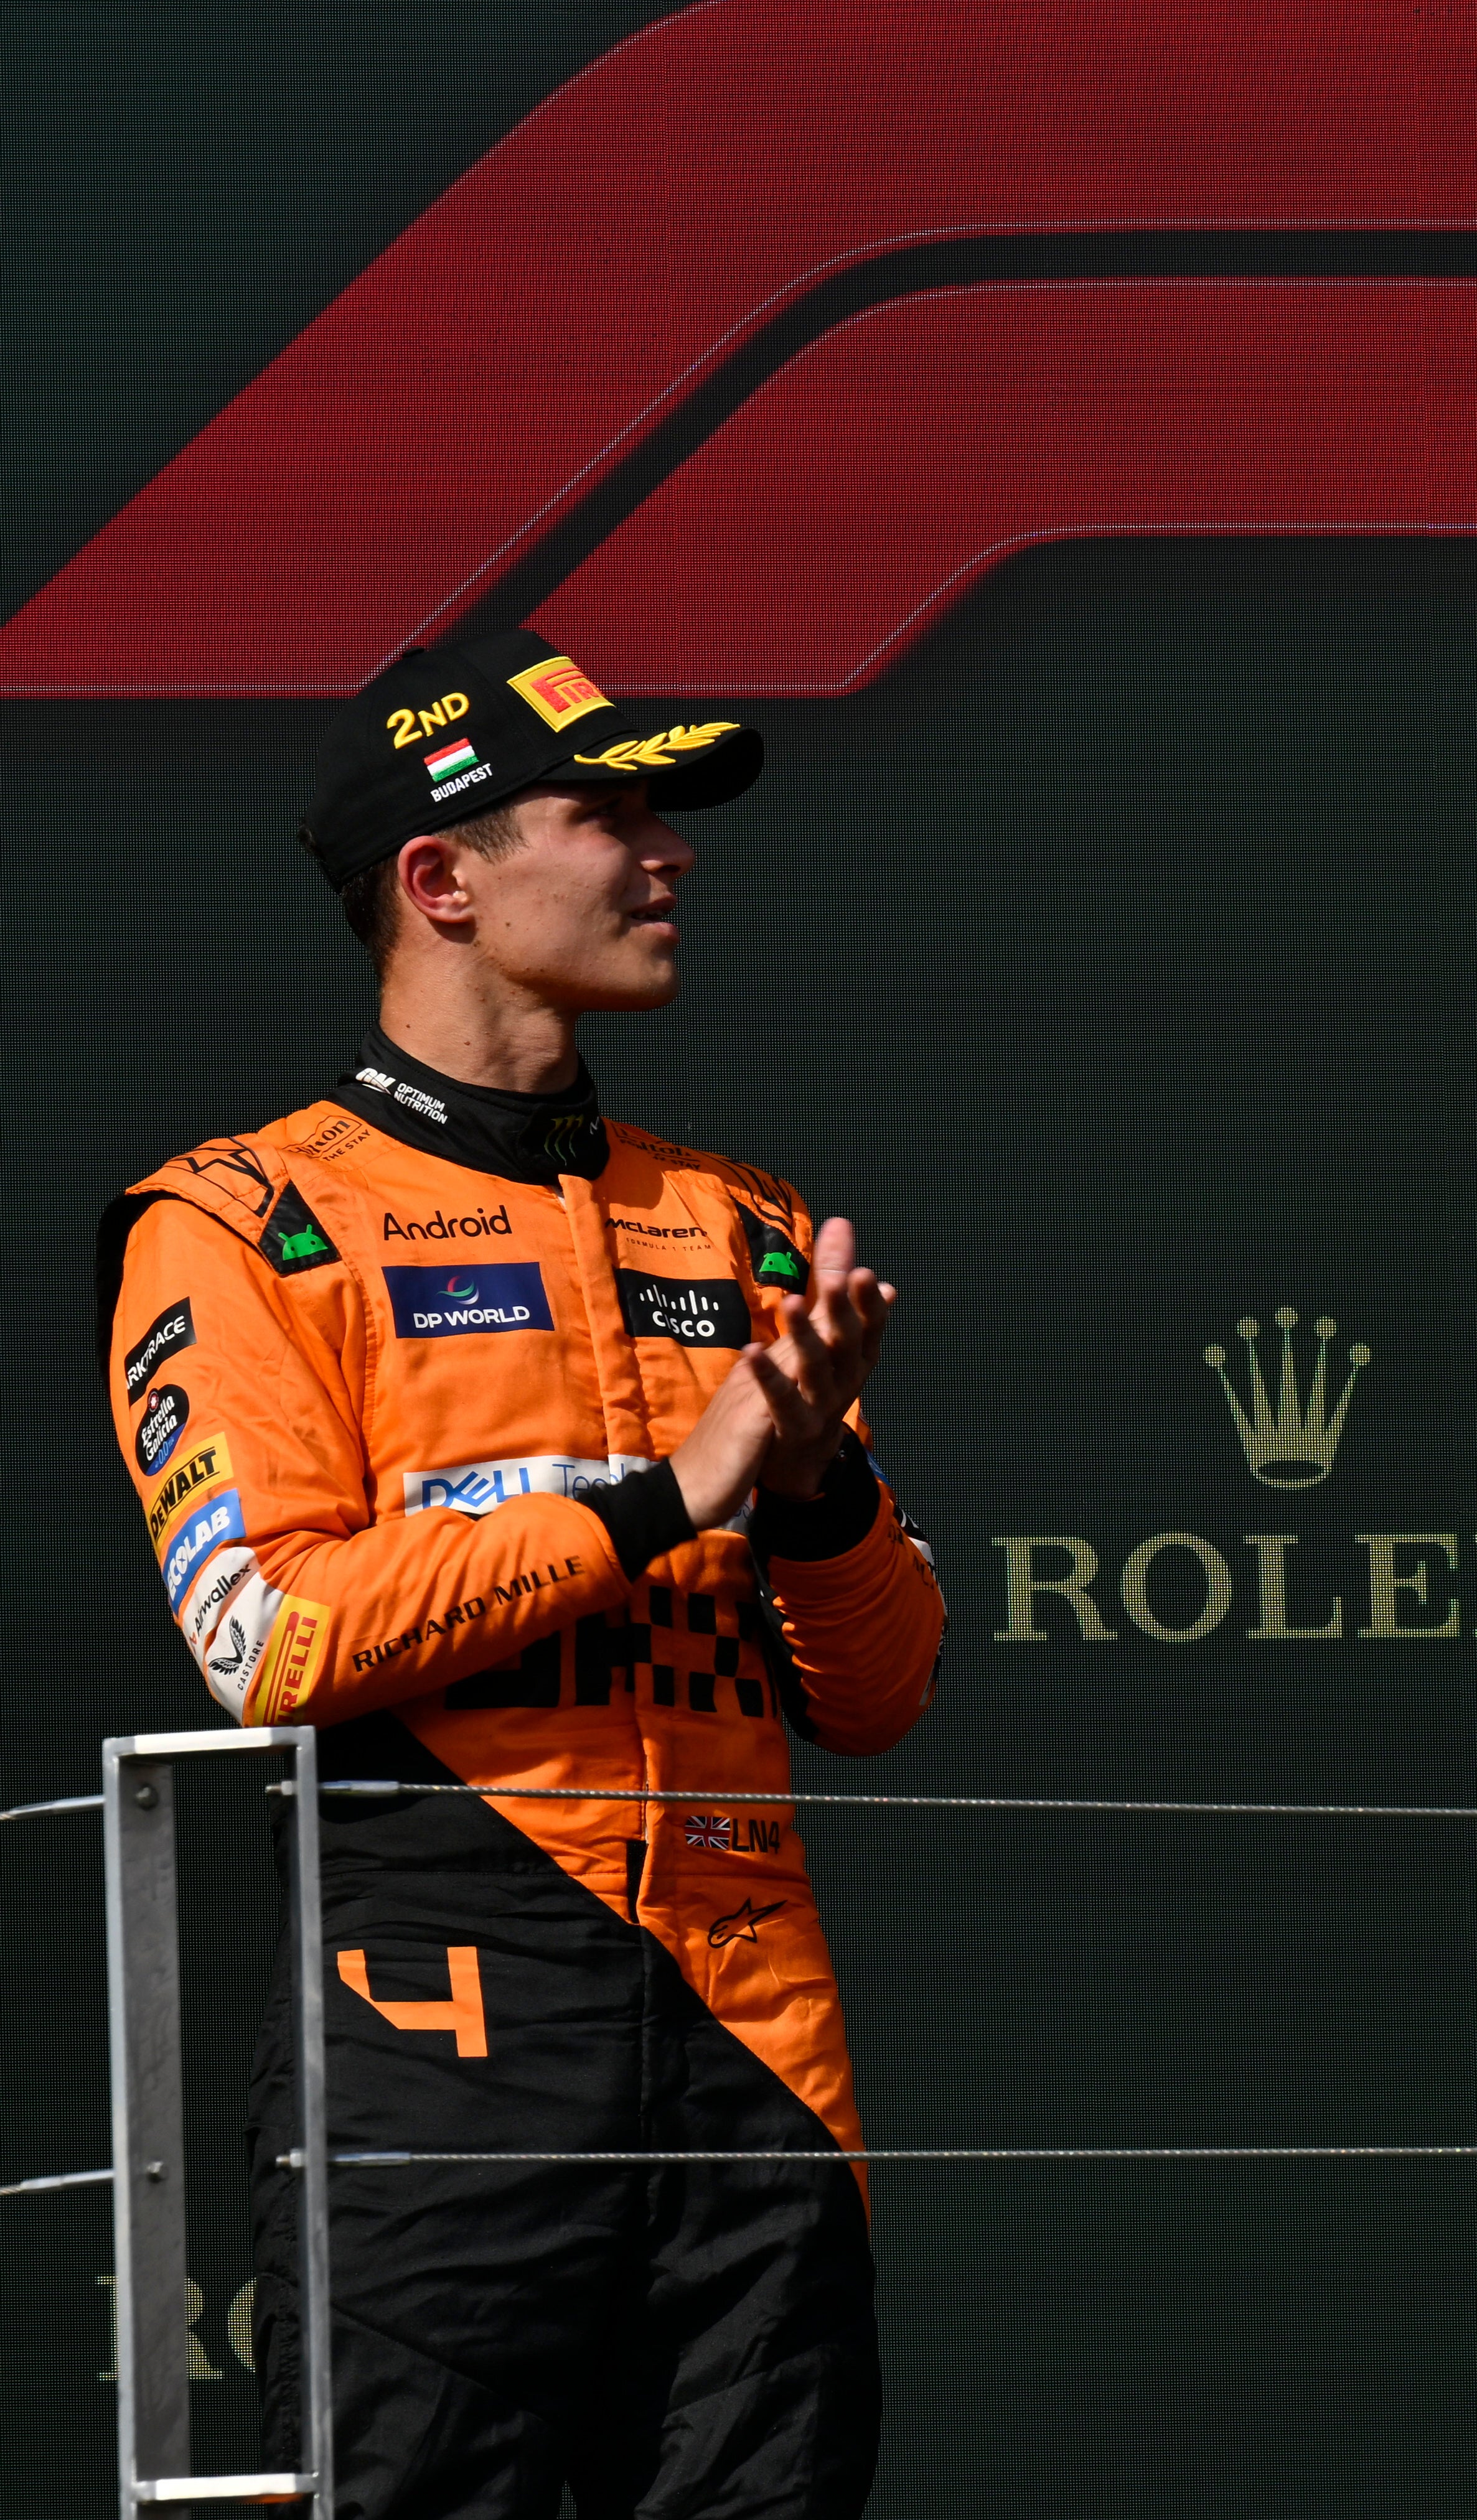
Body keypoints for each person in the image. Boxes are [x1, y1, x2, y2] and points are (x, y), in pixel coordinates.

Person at [96, 628, 944, 2517]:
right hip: (435, 2056)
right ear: (443, 879)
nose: (670, 854)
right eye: (608, 811)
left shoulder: (747, 1226)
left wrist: (803, 1499)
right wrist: (667, 1493)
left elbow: (884, 1693)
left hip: (761, 2054)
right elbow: (275, 1631)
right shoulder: (242, 1223)